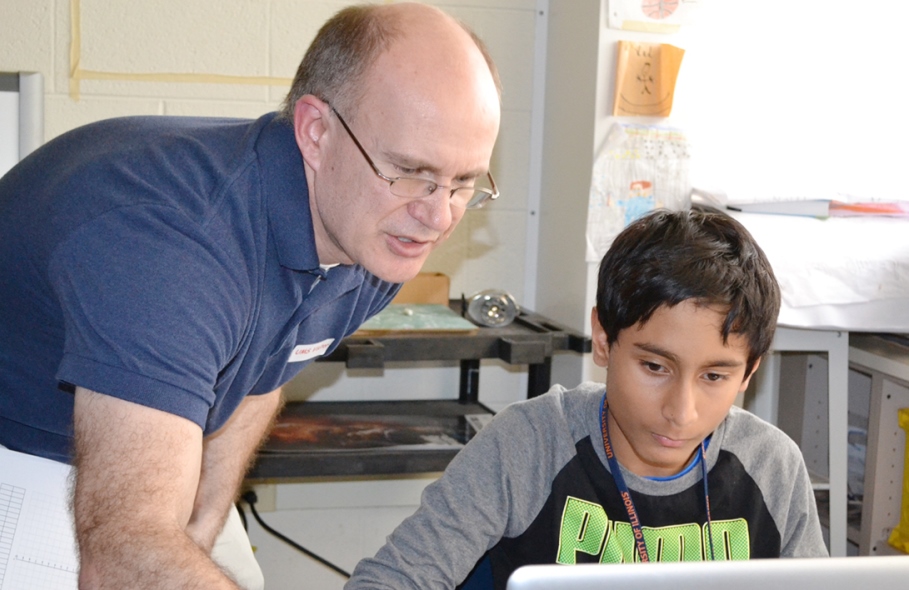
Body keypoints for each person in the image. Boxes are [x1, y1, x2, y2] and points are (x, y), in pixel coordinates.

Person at [0, 2, 501, 589]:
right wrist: (168, 545)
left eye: (463, 181)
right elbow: (121, 555)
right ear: (316, 132)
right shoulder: (175, 251)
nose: (437, 216)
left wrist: (204, 525)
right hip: (23, 452)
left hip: (121, 438)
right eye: (411, 171)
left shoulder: (375, 228)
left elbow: (270, 367)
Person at [345, 208, 828, 590]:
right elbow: (391, 581)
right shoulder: (530, 445)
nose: (681, 412)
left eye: (715, 376)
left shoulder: (771, 467)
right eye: (655, 367)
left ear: (750, 371)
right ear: (603, 339)